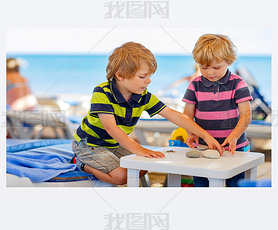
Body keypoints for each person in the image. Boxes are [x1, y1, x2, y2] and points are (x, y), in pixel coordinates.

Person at [72, 42, 223, 185]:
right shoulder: (102, 93)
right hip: (89, 144)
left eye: (150, 76)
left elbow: (175, 115)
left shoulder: (143, 96)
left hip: (113, 144)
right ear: (120, 75)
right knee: (120, 176)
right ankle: (81, 163)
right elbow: (111, 128)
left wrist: (206, 136)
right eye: (143, 77)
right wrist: (139, 149)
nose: (149, 81)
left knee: (144, 165)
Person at [182, 34, 253, 187]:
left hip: (235, 150)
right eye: (204, 67)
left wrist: (233, 137)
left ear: (228, 61)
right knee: (202, 185)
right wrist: (192, 133)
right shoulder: (194, 85)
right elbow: (187, 116)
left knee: (235, 186)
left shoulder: (238, 84)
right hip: (203, 148)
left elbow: (246, 115)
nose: (210, 73)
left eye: (216, 67)